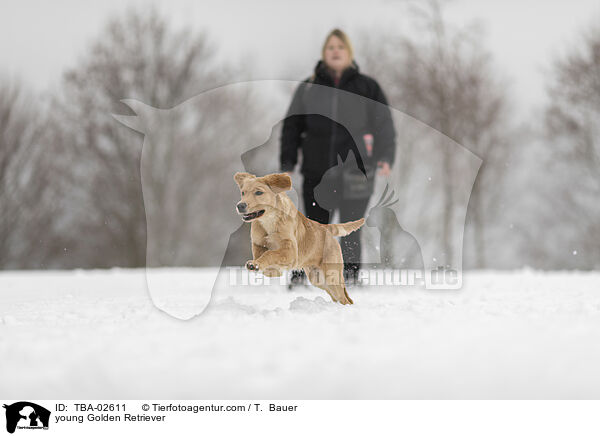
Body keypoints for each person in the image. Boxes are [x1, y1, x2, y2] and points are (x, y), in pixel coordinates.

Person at [280, 28, 396, 286]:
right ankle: (302, 276)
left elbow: (384, 125)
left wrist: (386, 156)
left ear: (349, 53)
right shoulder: (309, 87)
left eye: (340, 47)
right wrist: (287, 162)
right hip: (317, 170)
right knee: (313, 227)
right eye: (330, 47)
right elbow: (291, 127)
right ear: (324, 53)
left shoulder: (367, 87)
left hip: (358, 170)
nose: (335, 51)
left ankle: (350, 278)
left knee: (350, 227)